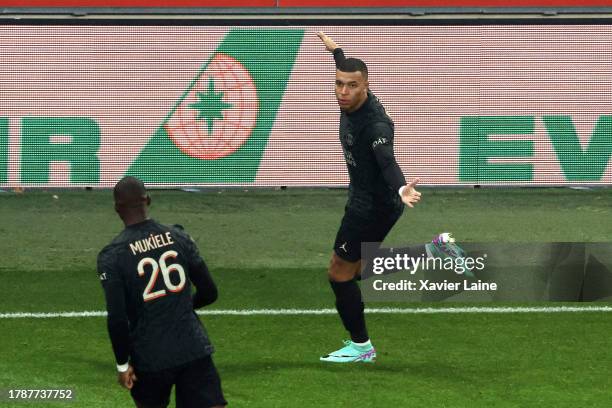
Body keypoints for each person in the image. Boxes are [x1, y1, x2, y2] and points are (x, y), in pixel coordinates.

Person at [316, 32, 466, 363]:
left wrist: (402, 187)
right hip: (371, 199)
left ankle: (361, 347)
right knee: (356, 269)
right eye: (339, 84)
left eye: (351, 86)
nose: (343, 91)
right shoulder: (349, 87)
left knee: (339, 273)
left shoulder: (375, 125)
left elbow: (386, 160)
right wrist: (336, 48)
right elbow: (345, 64)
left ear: (366, 86)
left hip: (372, 206)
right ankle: (433, 250)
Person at [97, 176, 226, 408]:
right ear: (149, 200)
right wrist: (176, 306)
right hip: (192, 347)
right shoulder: (178, 236)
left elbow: (117, 320)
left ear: (117, 208)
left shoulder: (112, 256)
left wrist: (122, 365)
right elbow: (209, 292)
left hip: (149, 357)